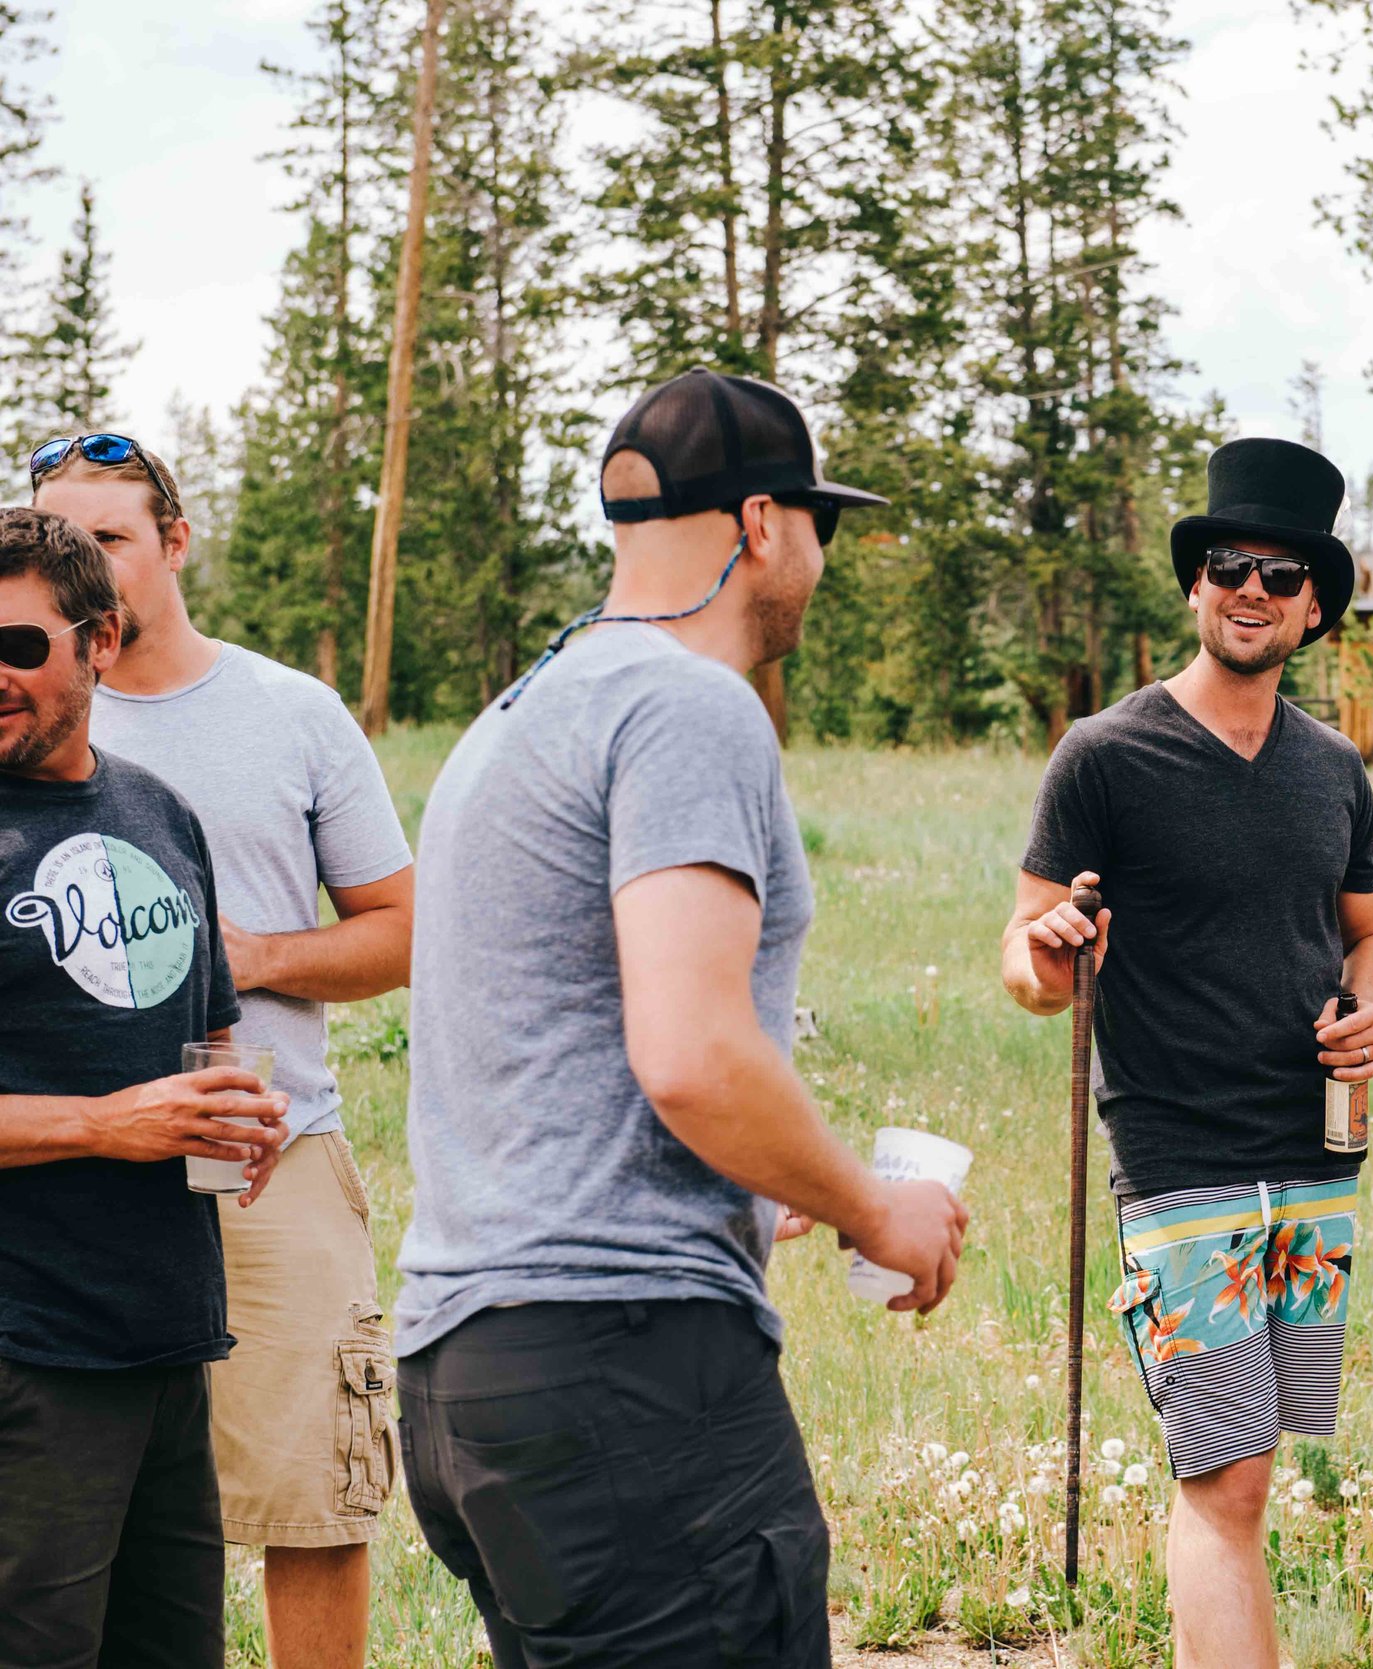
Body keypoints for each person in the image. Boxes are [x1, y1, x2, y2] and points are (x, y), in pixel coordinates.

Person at [393, 369, 969, 1666]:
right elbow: (693, 1054)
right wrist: (882, 1212)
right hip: (627, 1363)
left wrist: (780, 1173)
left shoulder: (512, 718)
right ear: (761, 523)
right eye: (820, 524)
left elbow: (558, 1051)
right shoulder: (688, 703)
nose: (820, 558)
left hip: (465, 1382)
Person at [1004, 436, 1373, 1669]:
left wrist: (1372, 1012)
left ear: (1312, 609)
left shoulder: (1332, 770)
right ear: (1194, 584)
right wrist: (1055, 948)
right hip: (1177, 1156)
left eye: (1281, 578)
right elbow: (1021, 962)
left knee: (1251, 1478)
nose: (1251, 590)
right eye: (1230, 565)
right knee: (1221, 1480)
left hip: (1315, 1155)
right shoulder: (1105, 755)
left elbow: (1369, 938)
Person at [34, 432, 415, 1669]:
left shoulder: (287, 716)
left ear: (176, 542)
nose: (80, 572)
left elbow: (404, 929)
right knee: (75, 1521)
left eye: (107, 543)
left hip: (269, 1155)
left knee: (310, 1495)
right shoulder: (19, 716)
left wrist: (249, 959)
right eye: (56, 544)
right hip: (62, 1197)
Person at [0, 506, 289, 1667]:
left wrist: (238, 1109)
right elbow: (122, 1111)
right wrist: (108, 1125)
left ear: (101, 642)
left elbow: (207, 1031)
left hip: (168, 1338)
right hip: (29, 1356)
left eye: (22, 647)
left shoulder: (157, 811)